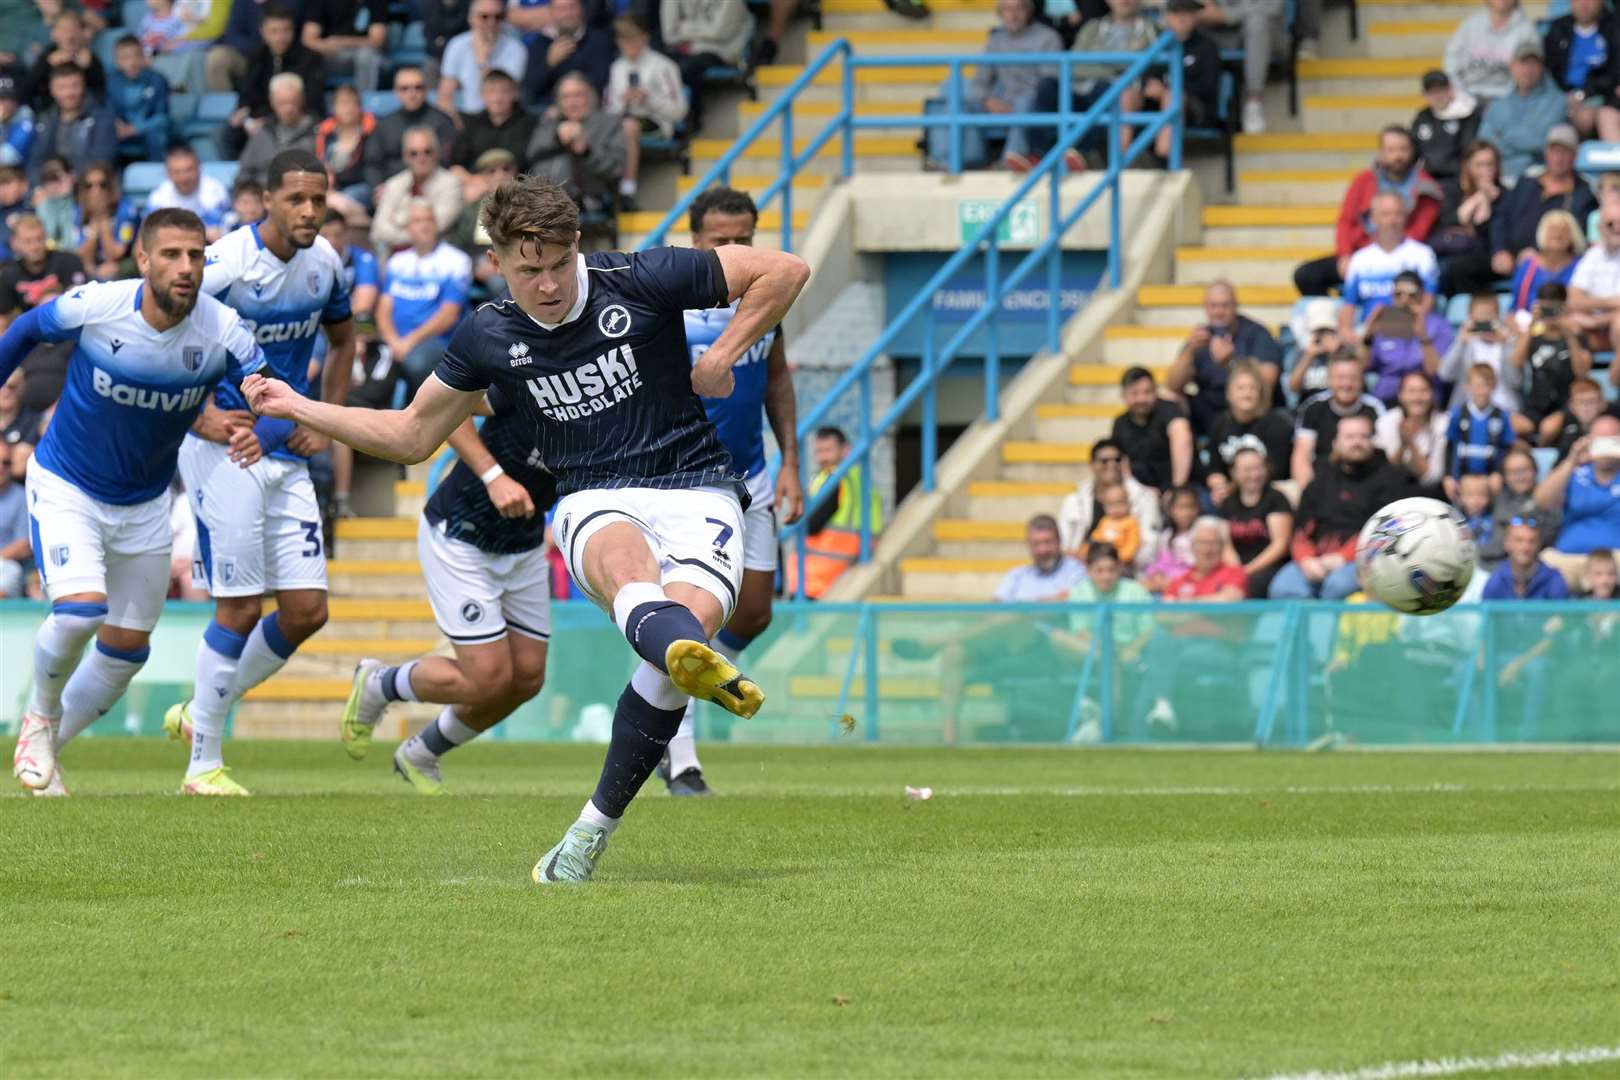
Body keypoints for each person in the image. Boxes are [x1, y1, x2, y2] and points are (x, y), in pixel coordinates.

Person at [244, 174, 810, 882]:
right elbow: (412, 434)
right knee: (629, 571)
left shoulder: (642, 275)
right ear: (497, 263)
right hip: (593, 496)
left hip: (700, 487)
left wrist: (722, 354)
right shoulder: (488, 332)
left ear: (578, 245)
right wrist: (299, 406)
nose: (545, 285)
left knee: (678, 645)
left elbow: (785, 270)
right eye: (526, 269)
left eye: (556, 265)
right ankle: (690, 659)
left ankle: (589, 832)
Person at [5, 207, 268, 797]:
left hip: (146, 504)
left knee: (127, 654)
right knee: (81, 611)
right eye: (172, 255)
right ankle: (39, 717)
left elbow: (262, 391)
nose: (186, 267)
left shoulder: (223, 329)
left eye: (197, 255)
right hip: (69, 483)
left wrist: (250, 425)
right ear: (143, 260)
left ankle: (46, 748)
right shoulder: (97, 304)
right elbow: (24, 331)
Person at [163, 152, 355, 796]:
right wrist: (200, 419)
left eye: (317, 200)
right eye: (295, 199)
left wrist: (323, 418)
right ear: (265, 199)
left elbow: (345, 340)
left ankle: (199, 711)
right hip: (229, 446)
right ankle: (204, 766)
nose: (307, 211)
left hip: (288, 444)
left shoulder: (325, 262)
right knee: (240, 606)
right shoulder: (222, 265)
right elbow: (167, 341)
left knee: (306, 610)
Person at [661, 188, 804, 796]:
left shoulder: (765, 300)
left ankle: (682, 677)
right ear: (695, 243)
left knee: (755, 611)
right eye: (720, 239)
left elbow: (776, 377)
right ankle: (682, 755)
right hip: (686, 481)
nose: (733, 249)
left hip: (754, 475)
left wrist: (791, 460)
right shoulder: (669, 308)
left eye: (743, 237)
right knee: (692, 619)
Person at [351, 388, 559, 793]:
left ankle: (421, 753)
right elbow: (447, 404)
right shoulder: (533, 369)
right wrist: (493, 475)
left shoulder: (615, 399)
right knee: (487, 679)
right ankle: (381, 682)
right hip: (462, 535)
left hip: (525, 544)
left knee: (527, 679)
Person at [1272, 413, 1413, 599]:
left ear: (1373, 442)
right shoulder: (1321, 478)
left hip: (1364, 559)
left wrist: (1342, 558)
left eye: (1364, 436)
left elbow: (1386, 531)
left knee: (1337, 587)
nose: (1357, 442)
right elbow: (1300, 529)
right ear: (1335, 443)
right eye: (1350, 437)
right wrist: (1306, 559)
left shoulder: (1390, 479)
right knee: (1283, 588)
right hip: (1316, 559)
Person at [1293, 127, 1441, 299]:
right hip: (1359, 251)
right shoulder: (1363, 181)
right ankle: (1333, 317)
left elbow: (1419, 230)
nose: (1398, 156)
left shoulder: (1426, 186)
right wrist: (1345, 255)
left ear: (1412, 151)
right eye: (1391, 150)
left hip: (1403, 254)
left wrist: (1381, 253)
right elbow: (1346, 221)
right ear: (1381, 152)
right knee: (1306, 275)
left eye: (1403, 149)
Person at [928, 0, 1059, 172]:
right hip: (1002, 103)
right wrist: (988, 100)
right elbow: (979, 81)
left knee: (1024, 102)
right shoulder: (996, 40)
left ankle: (1010, 161)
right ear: (1000, 13)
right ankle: (950, 162)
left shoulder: (1048, 37)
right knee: (958, 98)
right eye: (1007, 9)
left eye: (1018, 8)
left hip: (1034, 104)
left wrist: (1015, 104)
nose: (1013, 15)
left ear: (1028, 11)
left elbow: (1050, 84)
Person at [1026, 0, 1156, 166]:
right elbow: (1074, 66)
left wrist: (1098, 61)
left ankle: (1083, 155)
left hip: (1116, 94)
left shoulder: (1151, 29)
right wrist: (1113, 64)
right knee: (1047, 86)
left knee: (1102, 88)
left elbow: (1135, 66)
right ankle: (1037, 155)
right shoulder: (1092, 27)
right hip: (1080, 90)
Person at [376, 201, 473, 392]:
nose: (424, 225)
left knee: (416, 363)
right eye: (417, 220)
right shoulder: (397, 261)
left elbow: (448, 315)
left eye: (429, 220)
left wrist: (409, 342)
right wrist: (393, 341)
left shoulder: (456, 261)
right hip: (395, 339)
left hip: (437, 340)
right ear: (408, 228)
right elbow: (383, 309)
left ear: (437, 225)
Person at [1165, 280, 1281, 436]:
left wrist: (1231, 364)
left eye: (1224, 305)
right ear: (1205, 307)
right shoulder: (1200, 337)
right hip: (1210, 406)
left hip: (1248, 406)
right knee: (1171, 398)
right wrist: (1189, 352)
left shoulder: (1256, 333)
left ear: (1235, 306)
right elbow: (1173, 384)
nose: (1219, 312)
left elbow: (1266, 383)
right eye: (1213, 306)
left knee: (1246, 396)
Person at [1489, 124, 1596, 283]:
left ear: (1575, 156)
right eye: (1554, 151)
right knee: (1460, 269)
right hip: (1509, 257)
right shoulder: (1526, 183)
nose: (1558, 158)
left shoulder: (1583, 193)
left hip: (1552, 263)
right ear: (1546, 153)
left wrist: (1541, 255)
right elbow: (1501, 218)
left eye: (1565, 152)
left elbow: (1576, 237)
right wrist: (1500, 250)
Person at [0, 214, 86, 410]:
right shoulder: (9, 274)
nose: (35, 246)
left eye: (39, 239)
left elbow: (84, 308)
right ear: (15, 244)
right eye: (28, 241)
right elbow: (2, 321)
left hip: (68, 336)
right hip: (32, 339)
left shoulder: (67, 262)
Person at [217, 4, 325, 160]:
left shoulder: (310, 58)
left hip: (295, 119)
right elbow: (246, 96)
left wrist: (269, 121)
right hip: (258, 121)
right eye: (274, 31)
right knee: (225, 133)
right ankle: (242, 176)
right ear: (263, 32)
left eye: (285, 30)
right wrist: (247, 120)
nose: (280, 37)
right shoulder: (256, 57)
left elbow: (314, 104)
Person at [788, 425, 884, 599]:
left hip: (817, 577)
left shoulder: (833, 479)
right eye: (819, 451)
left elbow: (811, 525)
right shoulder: (861, 480)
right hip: (848, 568)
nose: (822, 457)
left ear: (846, 450)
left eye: (828, 450)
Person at [604, 14, 687, 208]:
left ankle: (627, 190)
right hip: (621, 121)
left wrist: (648, 100)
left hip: (656, 122)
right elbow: (609, 109)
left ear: (645, 38)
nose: (629, 44)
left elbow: (679, 111)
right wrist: (623, 102)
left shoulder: (664, 66)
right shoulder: (616, 68)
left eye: (633, 39)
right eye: (624, 40)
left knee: (629, 126)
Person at [1535, 414, 1620, 587]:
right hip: (1568, 559)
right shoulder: (1574, 474)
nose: (1605, 448)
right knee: (1542, 568)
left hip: (1616, 559)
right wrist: (1571, 460)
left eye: (1612, 440)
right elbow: (1541, 501)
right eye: (1600, 441)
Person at [1338, 194, 1441, 336]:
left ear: (1405, 217)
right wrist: (1347, 332)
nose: (1392, 220)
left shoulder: (1423, 254)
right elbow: (1348, 305)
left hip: (1410, 330)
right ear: (1373, 218)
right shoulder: (1359, 259)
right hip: (1370, 334)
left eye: (1398, 214)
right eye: (1386, 214)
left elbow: (1428, 300)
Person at [525, 72, 626, 215]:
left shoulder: (609, 123)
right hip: (542, 200)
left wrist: (586, 151)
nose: (572, 103)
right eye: (565, 97)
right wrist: (557, 139)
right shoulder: (549, 123)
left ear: (591, 97)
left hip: (589, 199)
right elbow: (531, 154)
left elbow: (616, 168)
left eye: (578, 95)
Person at [1511, 282, 1591, 443]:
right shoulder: (1533, 336)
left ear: (1564, 307)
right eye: (1545, 309)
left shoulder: (1577, 337)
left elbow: (1582, 372)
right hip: (1535, 405)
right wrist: (1532, 324)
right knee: (1513, 426)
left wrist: (1567, 332)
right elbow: (1515, 362)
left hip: (1565, 405)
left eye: (1553, 309)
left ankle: (1541, 452)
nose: (1549, 314)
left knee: (1548, 428)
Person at [1477, 41, 1567, 183]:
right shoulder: (1497, 105)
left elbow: (1540, 141)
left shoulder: (1557, 101)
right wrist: (1521, 141)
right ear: (1512, 66)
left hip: (1536, 174)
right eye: (1523, 63)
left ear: (1542, 68)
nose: (1528, 69)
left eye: (1533, 64)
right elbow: (1485, 143)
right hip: (1499, 174)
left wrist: (1503, 135)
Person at [1359, 269, 1451, 406]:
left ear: (1422, 296)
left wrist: (1423, 335)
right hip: (1386, 396)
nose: (1404, 300)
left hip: (1422, 398)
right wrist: (1368, 336)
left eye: (1411, 295)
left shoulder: (1438, 326)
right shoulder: (1383, 323)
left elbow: (1435, 371)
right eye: (1398, 294)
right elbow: (1362, 366)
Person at [1292, 353, 1385, 488]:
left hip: (1367, 482)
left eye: (1353, 378)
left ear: (1362, 380)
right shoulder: (1312, 407)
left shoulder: (1374, 408)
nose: (1346, 384)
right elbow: (1301, 456)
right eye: (1340, 378)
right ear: (1329, 380)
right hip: (1323, 483)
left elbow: (1383, 454)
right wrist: (1309, 493)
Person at [1205, 360, 1293, 502]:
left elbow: (1277, 471)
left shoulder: (1276, 425)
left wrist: (1235, 485)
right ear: (1229, 393)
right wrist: (1217, 483)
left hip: (1269, 491)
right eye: (1240, 388)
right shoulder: (1220, 424)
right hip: (1232, 494)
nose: (1247, 394)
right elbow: (1214, 467)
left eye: (1252, 388)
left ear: (1260, 393)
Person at [1056, 436, 1161, 553]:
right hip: (1081, 566)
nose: (1112, 465)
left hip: (1129, 567)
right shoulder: (1073, 500)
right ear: (1092, 465)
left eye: (1117, 460)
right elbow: (1063, 543)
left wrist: (1119, 562)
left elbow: (1150, 545)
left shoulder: (1145, 498)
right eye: (1104, 461)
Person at [660, 0, 752, 131]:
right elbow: (668, 34)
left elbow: (719, 32)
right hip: (684, 49)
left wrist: (685, 28)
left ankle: (692, 117)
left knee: (687, 67)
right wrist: (703, 29)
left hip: (721, 50)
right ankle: (662, 124)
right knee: (659, 64)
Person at [372, 127, 465, 255]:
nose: (421, 158)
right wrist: (418, 230)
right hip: (395, 258)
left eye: (427, 152)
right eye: (413, 153)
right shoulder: (394, 184)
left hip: (436, 256)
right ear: (405, 157)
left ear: (437, 153)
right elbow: (378, 231)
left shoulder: (451, 184)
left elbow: (435, 228)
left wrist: (398, 219)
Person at [450, 70, 537, 204]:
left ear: (515, 94)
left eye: (504, 91)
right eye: (491, 92)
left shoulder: (532, 124)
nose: (497, 98)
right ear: (482, 95)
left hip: (520, 190)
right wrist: (473, 180)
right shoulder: (471, 124)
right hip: (479, 188)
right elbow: (455, 167)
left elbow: (536, 166)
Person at [1191, 0, 1278, 135]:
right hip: (1212, 29)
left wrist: (1226, 15)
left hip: (1253, 29)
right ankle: (1183, 102)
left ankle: (1254, 100)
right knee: (1182, 18)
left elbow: (1273, 7)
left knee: (1257, 23)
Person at [366, 68, 459, 190]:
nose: (412, 93)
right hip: (391, 189)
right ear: (395, 92)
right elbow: (372, 163)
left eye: (418, 87)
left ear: (425, 90)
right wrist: (377, 187)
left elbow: (447, 162)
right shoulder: (384, 125)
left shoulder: (442, 121)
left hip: (434, 187)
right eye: (404, 88)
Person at [1218, 447, 1293, 597]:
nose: (1254, 475)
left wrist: (1248, 570)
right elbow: (1224, 543)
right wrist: (1237, 570)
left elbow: (1280, 545)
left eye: (1259, 468)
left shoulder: (1276, 499)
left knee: (1250, 584)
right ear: (1234, 472)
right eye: (1247, 470)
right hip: (1237, 566)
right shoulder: (1228, 503)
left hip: (1270, 566)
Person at [1431, 140, 1502, 297]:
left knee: (1461, 268)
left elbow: (1487, 234)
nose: (1485, 171)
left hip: (1481, 256)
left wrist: (1487, 202)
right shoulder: (1451, 189)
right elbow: (1449, 220)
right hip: (1450, 251)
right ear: (1467, 166)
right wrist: (1478, 197)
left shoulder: (1503, 195)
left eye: (1490, 165)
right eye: (1479, 165)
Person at [24, 64, 116, 184]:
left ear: (84, 86)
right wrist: (43, 185)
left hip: (88, 187)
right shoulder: (44, 119)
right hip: (50, 186)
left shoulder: (102, 118)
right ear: (52, 90)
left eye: (75, 85)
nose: (69, 93)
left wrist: (68, 181)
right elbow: (34, 162)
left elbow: (102, 161)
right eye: (62, 87)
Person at [1543, 0, 1620, 143]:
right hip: (1560, 96)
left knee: (1590, 117)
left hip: (1599, 97)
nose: (1584, 4)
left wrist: (1582, 94)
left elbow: (1614, 75)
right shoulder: (1558, 28)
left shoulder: (1614, 28)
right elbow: (1547, 69)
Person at [439, 0, 529, 116]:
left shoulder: (516, 49)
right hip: (467, 117)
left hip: (501, 118)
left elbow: (499, 95)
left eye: (498, 17)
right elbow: (445, 96)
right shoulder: (457, 45)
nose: (491, 22)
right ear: (471, 18)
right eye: (484, 17)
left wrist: (482, 61)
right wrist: (456, 123)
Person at [1110, 366, 1190, 494]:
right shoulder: (1120, 423)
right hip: (1138, 492)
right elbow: (1120, 461)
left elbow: (1182, 437)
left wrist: (1176, 490)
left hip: (1177, 489)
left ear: (1156, 391)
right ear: (1123, 395)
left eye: (1147, 392)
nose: (1141, 399)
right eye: (1134, 393)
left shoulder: (1169, 410)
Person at [1443, 364, 1516, 502]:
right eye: (1477, 385)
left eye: (1486, 385)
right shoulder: (1458, 414)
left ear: (1494, 386)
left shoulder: (1502, 415)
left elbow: (1506, 448)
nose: (1482, 391)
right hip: (1462, 479)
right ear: (1467, 387)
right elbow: (1450, 445)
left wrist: (1499, 473)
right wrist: (1448, 476)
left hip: (1489, 479)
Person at [521, 0, 611, 112]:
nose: (567, 14)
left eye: (572, 7)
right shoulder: (539, 43)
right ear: (552, 12)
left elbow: (598, 85)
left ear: (581, 9)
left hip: (586, 110)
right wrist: (548, 63)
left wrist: (563, 108)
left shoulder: (598, 41)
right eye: (561, 9)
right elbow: (529, 89)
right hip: (547, 111)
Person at [1445, 0, 1540, 104]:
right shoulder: (1470, 25)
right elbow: (1451, 64)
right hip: (1467, 97)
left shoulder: (1527, 31)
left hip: (1508, 101)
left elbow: (1531, 72)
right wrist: (1462, 95)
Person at [238, 72, 318, 189]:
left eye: (292, 102)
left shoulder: (317, 132)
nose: (288, 108)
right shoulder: (262, 132)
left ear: (301, 99)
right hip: (261, 197)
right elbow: (243, 173)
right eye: (282, 103)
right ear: (272, 101)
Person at [1481, 446, 1559, 567]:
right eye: (1513, 472)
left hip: (1533, 564)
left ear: (1535, 471)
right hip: (1491, 561)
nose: (1520, 477)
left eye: (1524, 470)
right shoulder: (1499, 496)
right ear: (1505, 477)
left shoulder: (1547, 498)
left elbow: (1550, 533)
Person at [1375, 369, 1448, 495]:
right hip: (1393, 492)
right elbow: (1389, 471)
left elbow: (1431, 478)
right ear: (1401, 395)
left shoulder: (1443, 422)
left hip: (1431, 493)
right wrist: (1403, 445)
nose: (1417, 397)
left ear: (1432, 394)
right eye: (1411, 391)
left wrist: (1411, 443)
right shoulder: (1387, 421)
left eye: (1423, 391)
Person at [19, 10, 106, 114]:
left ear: (82, 33)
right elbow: (27, 90)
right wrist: (47, 65)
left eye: (73, 29)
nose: (69, 35)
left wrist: (88, 68)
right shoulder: (48, 55)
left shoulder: (90, 58)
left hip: (85, 113)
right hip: (51, 114)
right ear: (54, 34)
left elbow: (100, 93)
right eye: (63, 30)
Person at [107, 34, 171, 165]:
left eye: (136, 56)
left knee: (157, 136)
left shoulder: (157, 79)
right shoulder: (111, 82)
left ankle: (157, 175)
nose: (131, 62)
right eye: (124, 58)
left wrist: (136, 128)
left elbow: (163, 117)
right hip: (122, 131)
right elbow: (108, 111)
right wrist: (116, 126)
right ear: (117, 61)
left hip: (149, 129)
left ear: (143, 57)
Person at [146, 145, 231, 242]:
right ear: (168, 173)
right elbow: (143, 240)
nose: (184, 177)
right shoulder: (158, 197)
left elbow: (217, 235)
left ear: (199, 169)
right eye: (177, 172)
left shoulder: (214, 191)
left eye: (189, 170)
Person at [300, 0, 388, 94]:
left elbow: (378, 40)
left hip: (366, 56)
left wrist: (341, 41)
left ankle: (363, 102)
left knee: (366, 55)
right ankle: (313, 105)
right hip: (332, 56)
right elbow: (308, 39)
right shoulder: (320, 2)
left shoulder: (376, 2)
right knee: (310, 59)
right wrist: (326, 46)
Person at [1506, 209, 1583, 314]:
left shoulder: (1582, 266)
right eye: (1552, 229)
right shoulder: (1527, 267)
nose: (1558, 234)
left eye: (1564, 230)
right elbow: (1514, 310)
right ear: (1542, 233)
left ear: (1572, 236)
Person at [1568, 197, 1620, 350]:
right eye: (1611, 224)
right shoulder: (1593, 254)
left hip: (1610, 324)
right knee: (1568, 324)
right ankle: (1580, 374)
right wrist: (1611, 304)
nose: (1617, 228)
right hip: (1597, 324)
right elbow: (1573, 299)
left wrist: (1597, 319)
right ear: (1600, 227)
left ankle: (1613, 374)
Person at [71, 161, 137, 281]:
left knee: (112, 273)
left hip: (120, 263)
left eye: (102, 184)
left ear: (111, 187)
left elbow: (117, 254)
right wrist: (95, 227)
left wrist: (103, 219)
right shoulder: (78, 211)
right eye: (89, 186)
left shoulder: (126, 209)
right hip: (92, 264)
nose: (96, 191)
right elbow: (80, 255)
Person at [316, 85, 375, 215]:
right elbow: (321, 163)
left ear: (360, 107)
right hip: (332, 188)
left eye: (352, 103)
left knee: (338, 201)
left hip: (361, 186)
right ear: (334, 108)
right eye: (342, 103)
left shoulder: (371, 133)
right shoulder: (326, 134)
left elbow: (371, 168)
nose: (348, 109)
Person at [1412, 69, 1480, 181]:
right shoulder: (1422, 117)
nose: (1437, 96)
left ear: (1450, 90)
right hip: (1429, 178)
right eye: (1432, 92)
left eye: (1440, 90)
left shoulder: (1465, 114)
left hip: (1457, 178)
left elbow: (1469, 149)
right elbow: (1413, 149)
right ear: (1424, 94)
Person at [1138, 483, 1199, 590]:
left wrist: (1174, 580)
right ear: (1171, 510)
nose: (1187, 512)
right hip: (1167, 581)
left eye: (1191, 507)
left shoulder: (1200, 533)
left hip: (1191, 582)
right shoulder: (1166, 536)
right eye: (1181, 507)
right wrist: (1156, 574)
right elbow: (1161, 562)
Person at [1550, 375, 1620, 461]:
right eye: (1580, 402)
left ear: (1603, 404)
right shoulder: (1569, 436)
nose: (1586, 408)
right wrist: (1574, 459)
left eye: (1591, 402)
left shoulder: (1614, 431)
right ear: (1571, 405)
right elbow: (1555, 472)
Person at [1284, 299, 1341, 404]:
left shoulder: (1343, 352)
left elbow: (1345, 384)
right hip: (1308, 404)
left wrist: (1335, 355)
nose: (1323, 336)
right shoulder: (1301, 352)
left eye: (1327, 330)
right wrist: (1308, 357)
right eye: (1319, 331)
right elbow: (1293, 388)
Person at [0, 367, 41, 479]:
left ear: (22, 388)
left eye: (12, 386)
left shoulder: (34, 421)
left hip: (18, 489)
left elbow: (19, 467)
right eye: (1, 384)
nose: (5, 391)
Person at [0, 441, 28, 596]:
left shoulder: (22, 497)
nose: (1, 468)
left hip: (6, 563)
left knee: (6, 576)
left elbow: (24, 545)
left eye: (6, 462)